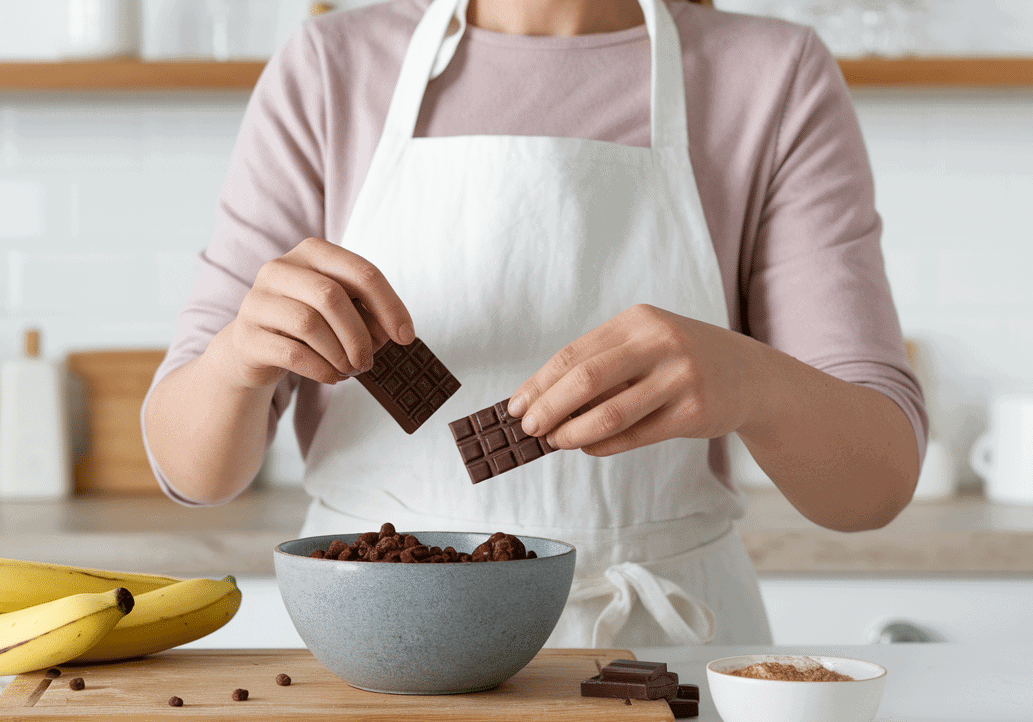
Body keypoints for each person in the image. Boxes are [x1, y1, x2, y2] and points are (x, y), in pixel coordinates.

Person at [142, 0, 927, 648]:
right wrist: (239, 360)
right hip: (370, 640)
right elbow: (193, 472)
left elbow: (875, 486)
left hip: (661, 644)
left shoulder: (771, 78)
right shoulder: (329, 68)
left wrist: (751, 381)